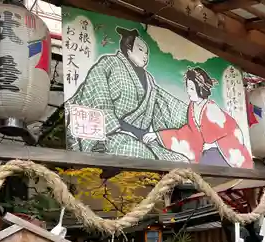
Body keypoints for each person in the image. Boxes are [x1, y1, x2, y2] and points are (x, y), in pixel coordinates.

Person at [67, 27, 189, 162]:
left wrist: (192, 113)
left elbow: (166, 102)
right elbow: (96, 94)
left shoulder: (150, 80)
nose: (145, 56)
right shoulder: (110, 63)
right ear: (128, 48)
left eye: (147, 53)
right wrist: (105, 133)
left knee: (181, 161)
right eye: (141, 50)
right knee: (138, 153)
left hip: (140, 139)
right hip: (110, 135)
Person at [143, 67, 253, 168]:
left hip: (225, 150)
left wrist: (207, 144)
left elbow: (218, 134)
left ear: (200, 88)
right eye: (187, 87)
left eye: (191, 88)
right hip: (209, 150)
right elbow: (189, 133)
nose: (188, 91)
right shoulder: (192, 107)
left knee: (204, 166)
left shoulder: (211, 108)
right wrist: (158, 135)